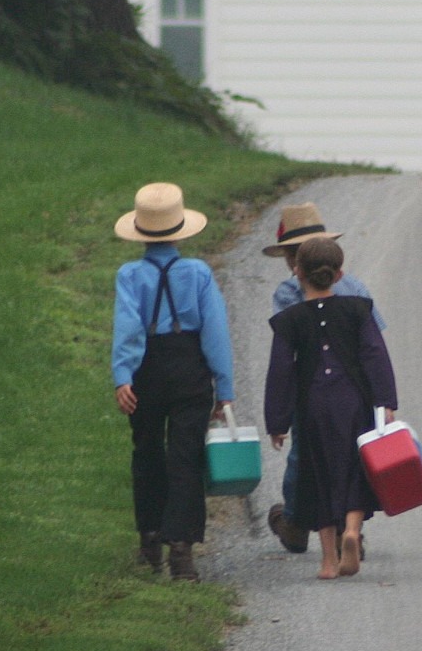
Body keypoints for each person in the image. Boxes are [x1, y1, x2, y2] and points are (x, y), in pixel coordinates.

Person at [112, 182, 235, 582]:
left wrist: (122, 376)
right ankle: (181, 549)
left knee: (146, 451)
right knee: (186, 456)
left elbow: (128, 328)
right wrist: (224, 386)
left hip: (147, 368)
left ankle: (149, 538)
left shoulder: (129, 274)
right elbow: (215, 332)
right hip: (189, 368)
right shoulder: (198, 272)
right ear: (180, 230)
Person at [265, 236, 397, 580]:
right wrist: (385, 403)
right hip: (354, 401)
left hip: (311, 405)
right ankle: (351, 532)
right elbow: (374, 355)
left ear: (297, 273)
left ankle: (327, 560)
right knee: (354, 468)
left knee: (316, 473)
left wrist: (277, 420)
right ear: (339, 275)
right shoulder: (357, 309)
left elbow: (281, 369)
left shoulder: (291, 318)